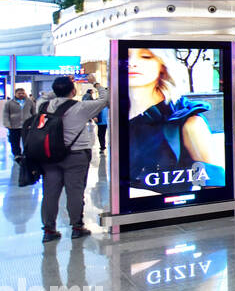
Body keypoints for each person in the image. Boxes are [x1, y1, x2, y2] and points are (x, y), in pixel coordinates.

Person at [126, 47, 225, 198]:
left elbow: (215, 187)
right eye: (126, 57)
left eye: (145, 56)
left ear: (163, 65)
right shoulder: (122, 116)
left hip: (168, 215)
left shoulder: (188, 122)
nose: (132, 63)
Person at [36, 76, 107, 242]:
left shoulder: (43, 105)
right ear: (73, 91)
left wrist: (58, 88)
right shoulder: (80, 107)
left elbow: (44, 97)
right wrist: (95, 83)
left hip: (50, 156)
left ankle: (49, 230)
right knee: (75, 192)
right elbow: (105, 99)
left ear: (55, 90)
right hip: (76, 155)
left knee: (50, 194)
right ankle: (76, 227)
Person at [3, 88, 34, 158]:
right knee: (14, 141)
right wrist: (7, 124)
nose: (21, 95)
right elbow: (6, 114)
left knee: (27, 141)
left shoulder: (29, 102)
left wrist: (33, 123)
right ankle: (17, 154)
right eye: (19, 93)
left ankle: (26, 153)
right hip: (14, 126)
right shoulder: (9, 103)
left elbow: (33, 113)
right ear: (15, 94)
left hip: (26, 125)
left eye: (22, 93)